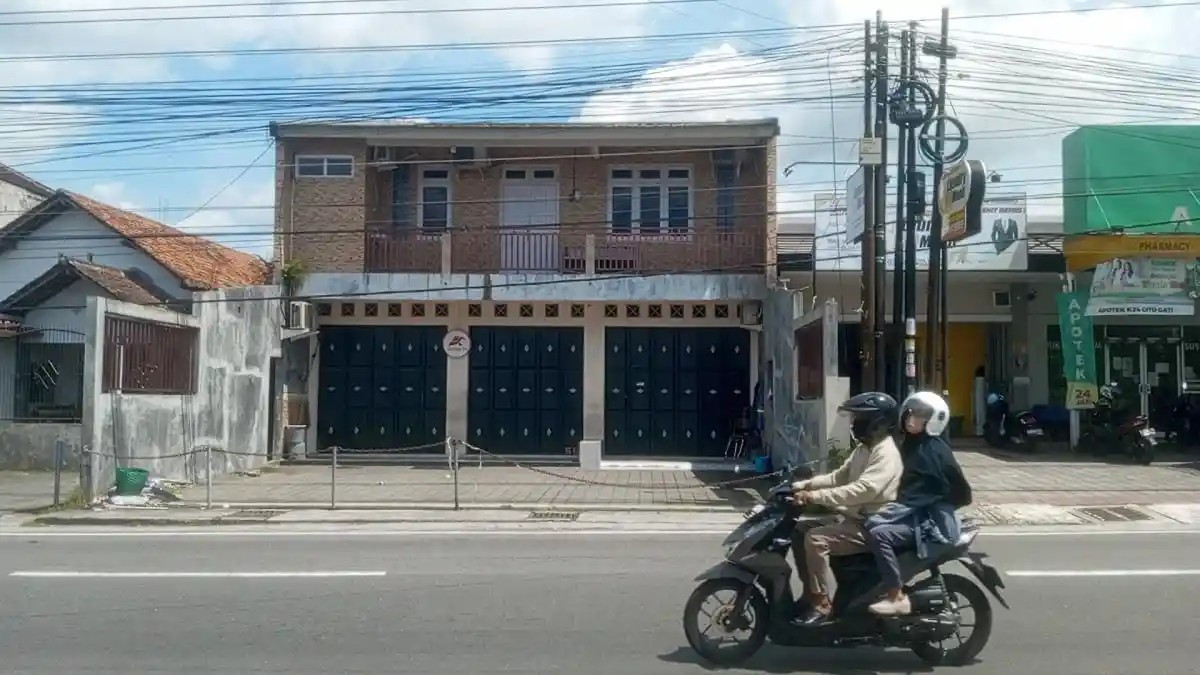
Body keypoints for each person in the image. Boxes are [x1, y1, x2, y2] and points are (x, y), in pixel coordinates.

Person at [791, 392, 903, 624]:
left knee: (816, 539)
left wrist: (814, 496)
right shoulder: (864, 449)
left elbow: (861, 490)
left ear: (878, 421)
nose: (854, 424)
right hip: (854, 519)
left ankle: (821, 603)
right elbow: (838, 477)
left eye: (860, 418)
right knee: (799, 530)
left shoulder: (886, 453)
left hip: (871, 524)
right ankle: (809, 594)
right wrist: (804, 484)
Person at [864, 391, 973, 617]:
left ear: (933, 420)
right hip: (925, 517)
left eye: (921, 415)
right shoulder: (915, 445)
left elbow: (912, 496)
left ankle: (896, 597)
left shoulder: (930, 452)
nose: (912, 418)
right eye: (911, 413)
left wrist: (879, 516)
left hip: (936, 528)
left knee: (878, 533)